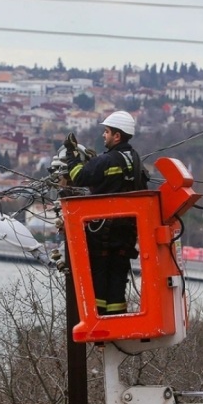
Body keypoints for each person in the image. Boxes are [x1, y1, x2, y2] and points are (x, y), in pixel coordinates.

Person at [64, 111, 148, 315]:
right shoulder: (136, 160)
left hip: (103, 232)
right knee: (117, 279)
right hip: (127, 233)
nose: (104, 135)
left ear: (117, 136)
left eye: (107, 132)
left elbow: (79, 177)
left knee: (99, 278)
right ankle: (116, 318)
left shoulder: (107, 160)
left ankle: (99, 318)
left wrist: (71, 155)